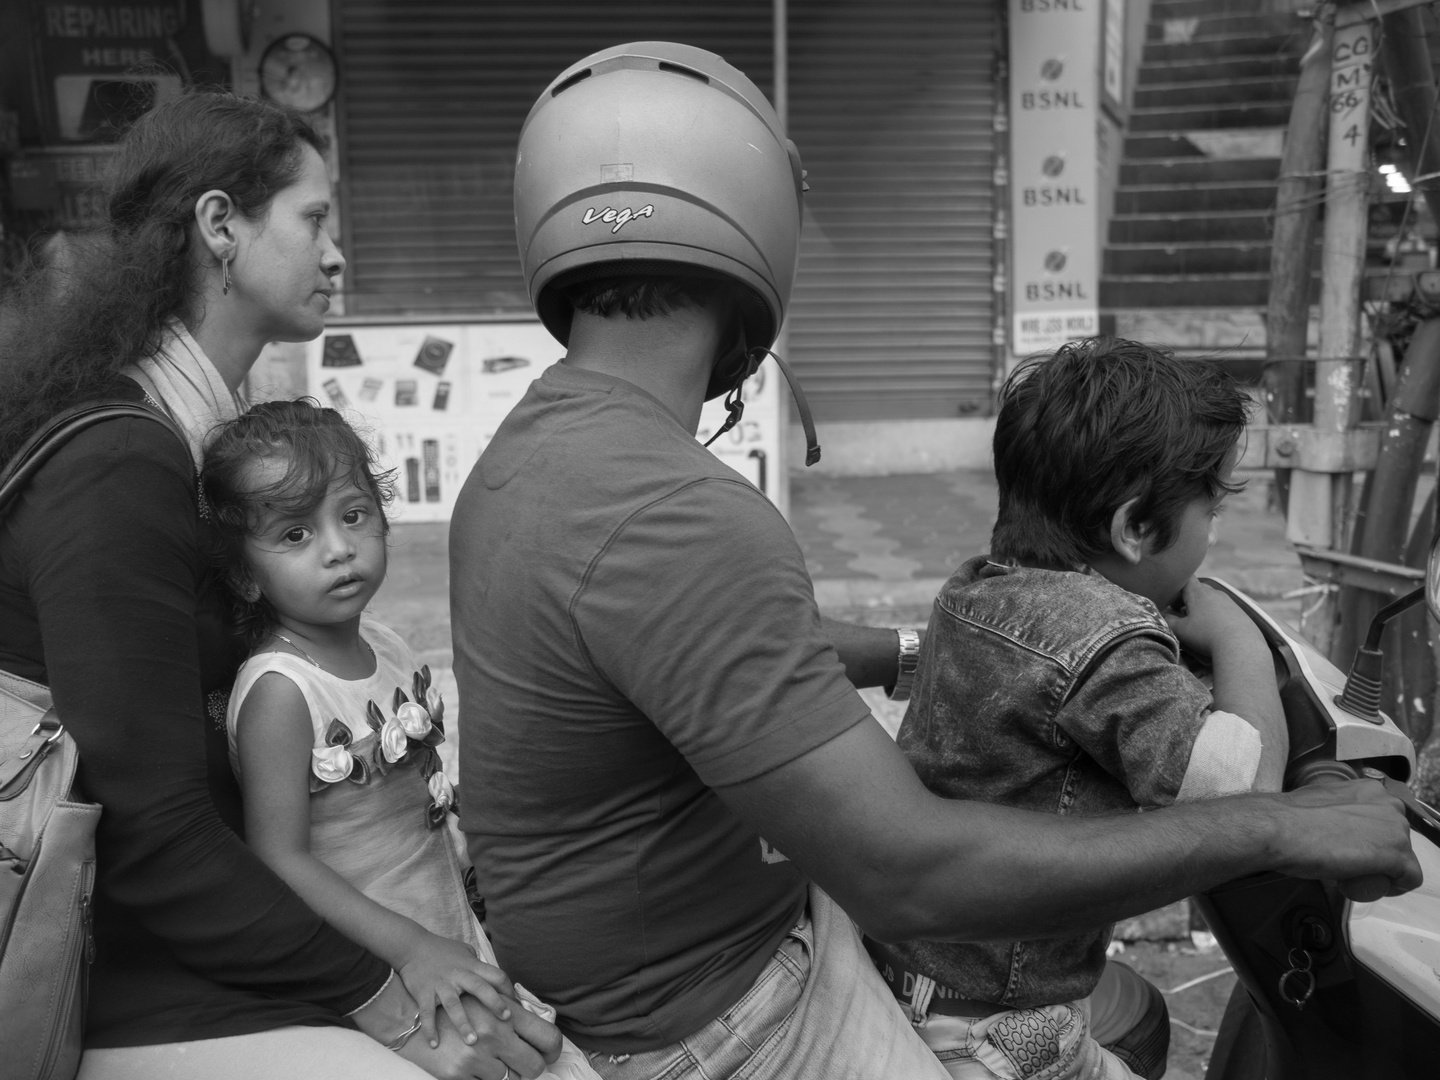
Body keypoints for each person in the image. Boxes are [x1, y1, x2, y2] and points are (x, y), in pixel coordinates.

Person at [448, 41, 1419, 1080]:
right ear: (759, 228)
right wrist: (1280, 826)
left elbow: (703, 645)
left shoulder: (529, 460)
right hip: (730, 1011)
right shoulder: (680, 511)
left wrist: (926, 650)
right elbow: (910, 874)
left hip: (665, 959)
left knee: (1115, 1016)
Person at [0, 91, 558, 1079]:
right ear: (221, 226)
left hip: (221, 918)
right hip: (122, 964)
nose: (336, 252)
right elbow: (153, 839)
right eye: (313, 218)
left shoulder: (193, 433)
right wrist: (391, 996)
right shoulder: (121, 469)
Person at [872, 339, 1287, 1080]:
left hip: (917, 976)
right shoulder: (1105, 643)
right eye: (1210, 510)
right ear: (1135, 528)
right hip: (1001, 1031)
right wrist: (1237, 635)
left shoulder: (973, 591)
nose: (1213, 535)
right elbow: (1245, 797)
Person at [202, 399, 599, 1080]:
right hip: (376, 958)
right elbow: (279, 859)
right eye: (296, 535)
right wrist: (412, 950)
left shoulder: (387, 646)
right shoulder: (281, 691)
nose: (338, 548)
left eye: (352, 516)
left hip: (443, 919)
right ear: (244, 573)